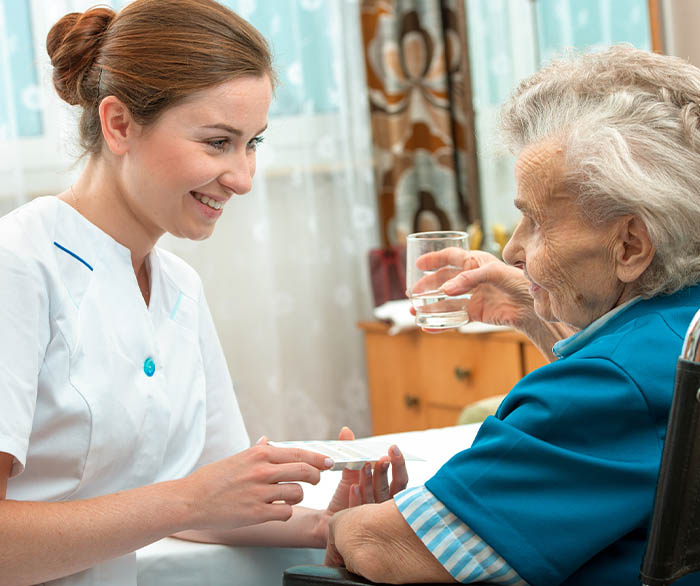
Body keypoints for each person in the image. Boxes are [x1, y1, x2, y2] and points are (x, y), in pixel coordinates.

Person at [0, 1, 407, 585]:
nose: (242, 178)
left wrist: (327, 524)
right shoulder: (17, 267)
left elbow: (210, 499)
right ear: (118, 125)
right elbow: (189, 501)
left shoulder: (177, 287)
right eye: (218, 142)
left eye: (253, 143)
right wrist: (190, 499)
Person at [324, 45, 700, 586]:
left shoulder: (605, 390)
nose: (512, 251)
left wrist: (341, 524)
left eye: (536, 223)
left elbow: (388, 548)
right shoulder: (678, 339)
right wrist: (532, 308)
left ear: (631, 244)